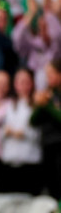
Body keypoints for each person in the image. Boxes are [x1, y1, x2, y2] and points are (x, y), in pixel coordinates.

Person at [1, 68, 43, 195]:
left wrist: (23, 133)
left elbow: (37, 133)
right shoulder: (9, 105)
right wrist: (6, 131)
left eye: (26, 81)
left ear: (32, 83)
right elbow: (2, 130)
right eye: (19, 81)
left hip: (30, 160)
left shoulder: (37, 104)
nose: (23, 85)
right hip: (10, 160)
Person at [30, 58, 61, 200]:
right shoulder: (49, 94)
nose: (48, 79)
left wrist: (47, 105)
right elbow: (33, 121)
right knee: (51, 183)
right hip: (47, 145)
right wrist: (39, 105)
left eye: (51, 74)